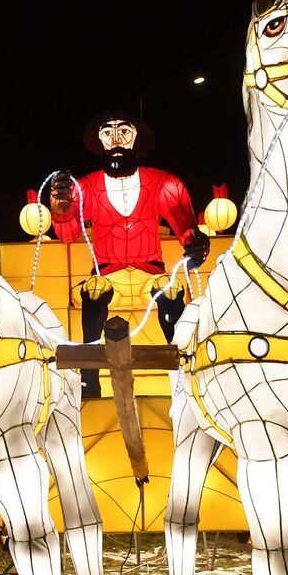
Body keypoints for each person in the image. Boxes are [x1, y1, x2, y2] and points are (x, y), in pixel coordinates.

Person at [47, 111, 208, 397]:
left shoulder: (163, 182)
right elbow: (68, 233)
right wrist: (61, 210)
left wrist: (196, 244)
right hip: (107, 274)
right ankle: (90, 379)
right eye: (108, 133)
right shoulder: (84, 187)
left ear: (136, 138)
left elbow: (187, 229)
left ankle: (182, 370)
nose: (116, 139)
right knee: (93, 291)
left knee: (171, 291)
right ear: (100, 141)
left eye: (124, 131)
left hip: (151, 273)